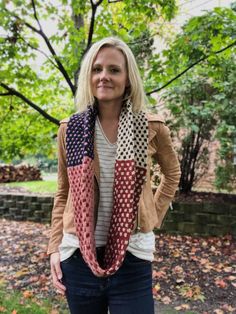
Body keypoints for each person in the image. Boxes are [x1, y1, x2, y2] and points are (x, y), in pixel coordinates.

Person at [48, 37, 181, 314]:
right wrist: (53, 248)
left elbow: (172, 173)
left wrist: (152, 215)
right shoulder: (70, 130)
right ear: (89, 75)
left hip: (133, 256)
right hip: (78, 256)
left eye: (114, 70)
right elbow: (63, 192)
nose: (103, 76)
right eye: (97, 69)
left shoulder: (151, 127)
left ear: (128, 78)